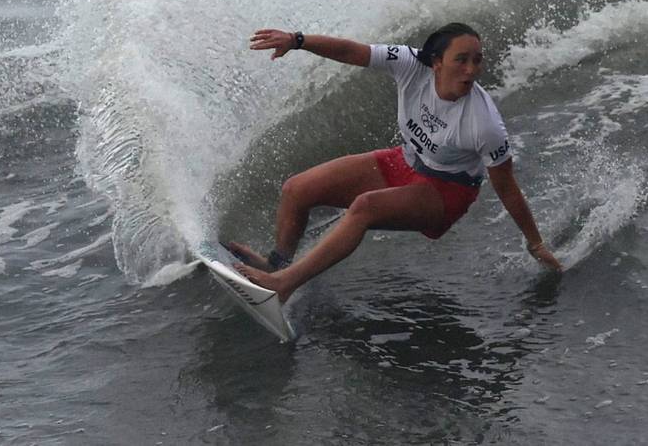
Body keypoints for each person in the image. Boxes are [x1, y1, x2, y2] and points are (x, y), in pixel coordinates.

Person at [225, 23, 562, 304]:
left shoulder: (484, 123)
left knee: (365, 207)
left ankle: (284, 283)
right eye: (461, 59)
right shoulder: (409, 64)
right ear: (436, 62)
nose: (471, 70)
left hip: (447, 191)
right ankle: (275, 265)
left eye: (477, 60)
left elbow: (507, 187)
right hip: (405, 160)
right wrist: (298, 41)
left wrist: (536, 243)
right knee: (297, 188)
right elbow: (352, 51)